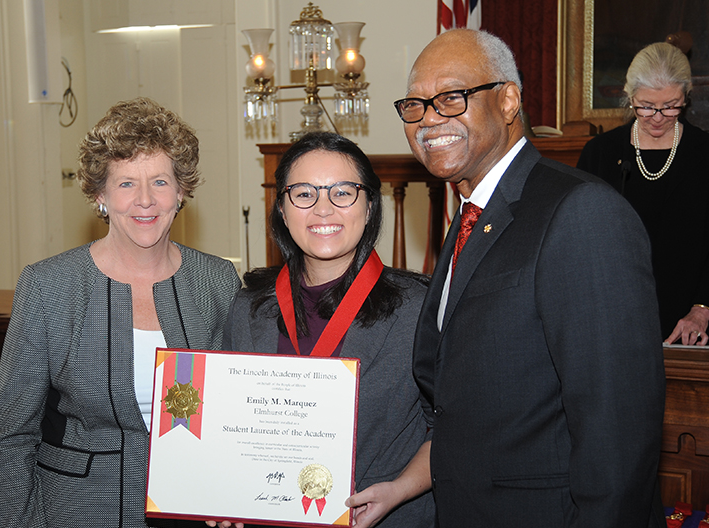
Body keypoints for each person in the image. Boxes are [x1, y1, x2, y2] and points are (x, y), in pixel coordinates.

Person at [395, 29, 666, 527]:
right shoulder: (470, 215)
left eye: (451, 98)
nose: (429, 119)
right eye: (414, 104)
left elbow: (617, 429)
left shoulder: (582, 211)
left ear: (508, 100)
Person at [0, 97, 242, 528]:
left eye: (160, 182)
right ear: (100, 195)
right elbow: (12, 436)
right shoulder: (48, 286)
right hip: (75, 510)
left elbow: (231, 414)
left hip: (190, 511)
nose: (145, 201)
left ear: (181, 191)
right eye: (125, 184)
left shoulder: (217, 280)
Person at [210, 132, 435, 528]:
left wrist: (399, 489)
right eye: (303, 194)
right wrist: (225, 494)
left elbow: (454, 429)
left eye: (343, 192)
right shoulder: (248, 307)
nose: (323, 209)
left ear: (368, 207)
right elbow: (229, 428)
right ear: (282, 208)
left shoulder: (420, 308)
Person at [577, 42, 709, 346]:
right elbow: (581, 243)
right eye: (646, 106)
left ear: (686, 96)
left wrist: (702, 310)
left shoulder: (704, 154)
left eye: (671, 105)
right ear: (628, 94)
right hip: (611, 323)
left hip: (690, 327)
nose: (659, 116)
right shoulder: (599, 154)